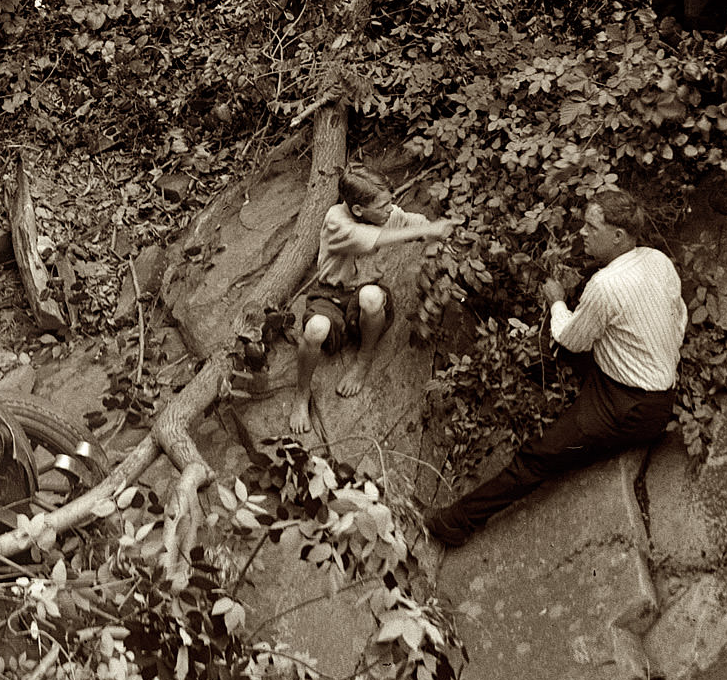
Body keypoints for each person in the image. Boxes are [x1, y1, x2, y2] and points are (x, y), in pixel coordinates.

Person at [424, 190, 687, 547]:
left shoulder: (606, 285)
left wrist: (558, 301)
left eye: (591, 227)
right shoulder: (657, 260)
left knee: (539, 456)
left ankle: (454, 524)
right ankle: (540, 375)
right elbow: (679, 317)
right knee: (547, 352)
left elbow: (572, 340)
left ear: (618, 236)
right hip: (643, 380)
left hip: (630, 406)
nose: (582, 232)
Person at [289, 164, 453, 435]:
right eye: (383, 206)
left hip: (364, 293)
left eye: (390, 203)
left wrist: (438, 229)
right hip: (329, 295)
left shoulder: (386, 214)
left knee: (372, 297)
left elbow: (415, 224)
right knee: (316, 329)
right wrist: (423, 231)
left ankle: (364, 359)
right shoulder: (336, 221)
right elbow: (374, 239)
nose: (390, 209)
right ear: (357, 210)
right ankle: (301, 393)